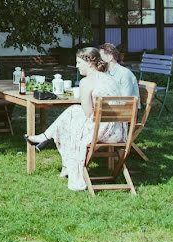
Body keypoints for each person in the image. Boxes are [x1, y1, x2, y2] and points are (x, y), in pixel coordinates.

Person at [26, 47, 127, 191]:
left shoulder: (87, 82)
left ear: (90, 62)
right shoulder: (109, 78)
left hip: (102, 131)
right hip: (119, 131)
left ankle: (51, 144)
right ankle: (45, 136)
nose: (77, 66)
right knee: (73, 110)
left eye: (79, 62)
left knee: (70, 125)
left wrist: (83, 97)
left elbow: (88, 113)